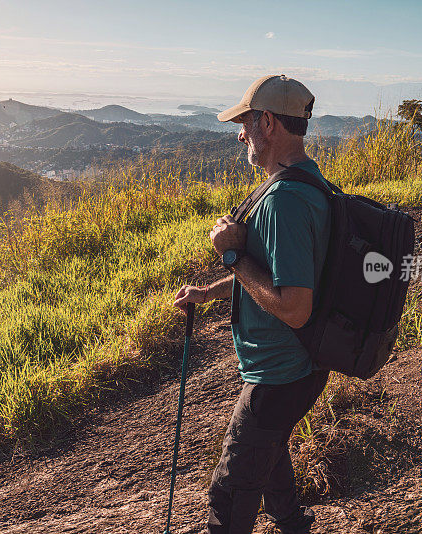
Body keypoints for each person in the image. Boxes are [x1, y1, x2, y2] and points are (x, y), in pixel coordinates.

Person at [173, 74, 332, 534]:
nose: (241, 134)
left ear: (268, 122)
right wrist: (210, 291)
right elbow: (276, 272)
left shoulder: (285, 201)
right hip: (296, 366)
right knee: (270, 458)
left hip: (279, 374)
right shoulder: (305, 180)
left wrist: (231, 253)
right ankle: (292, 525)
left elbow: (295, 306)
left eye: (245, 123)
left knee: (228, 495)